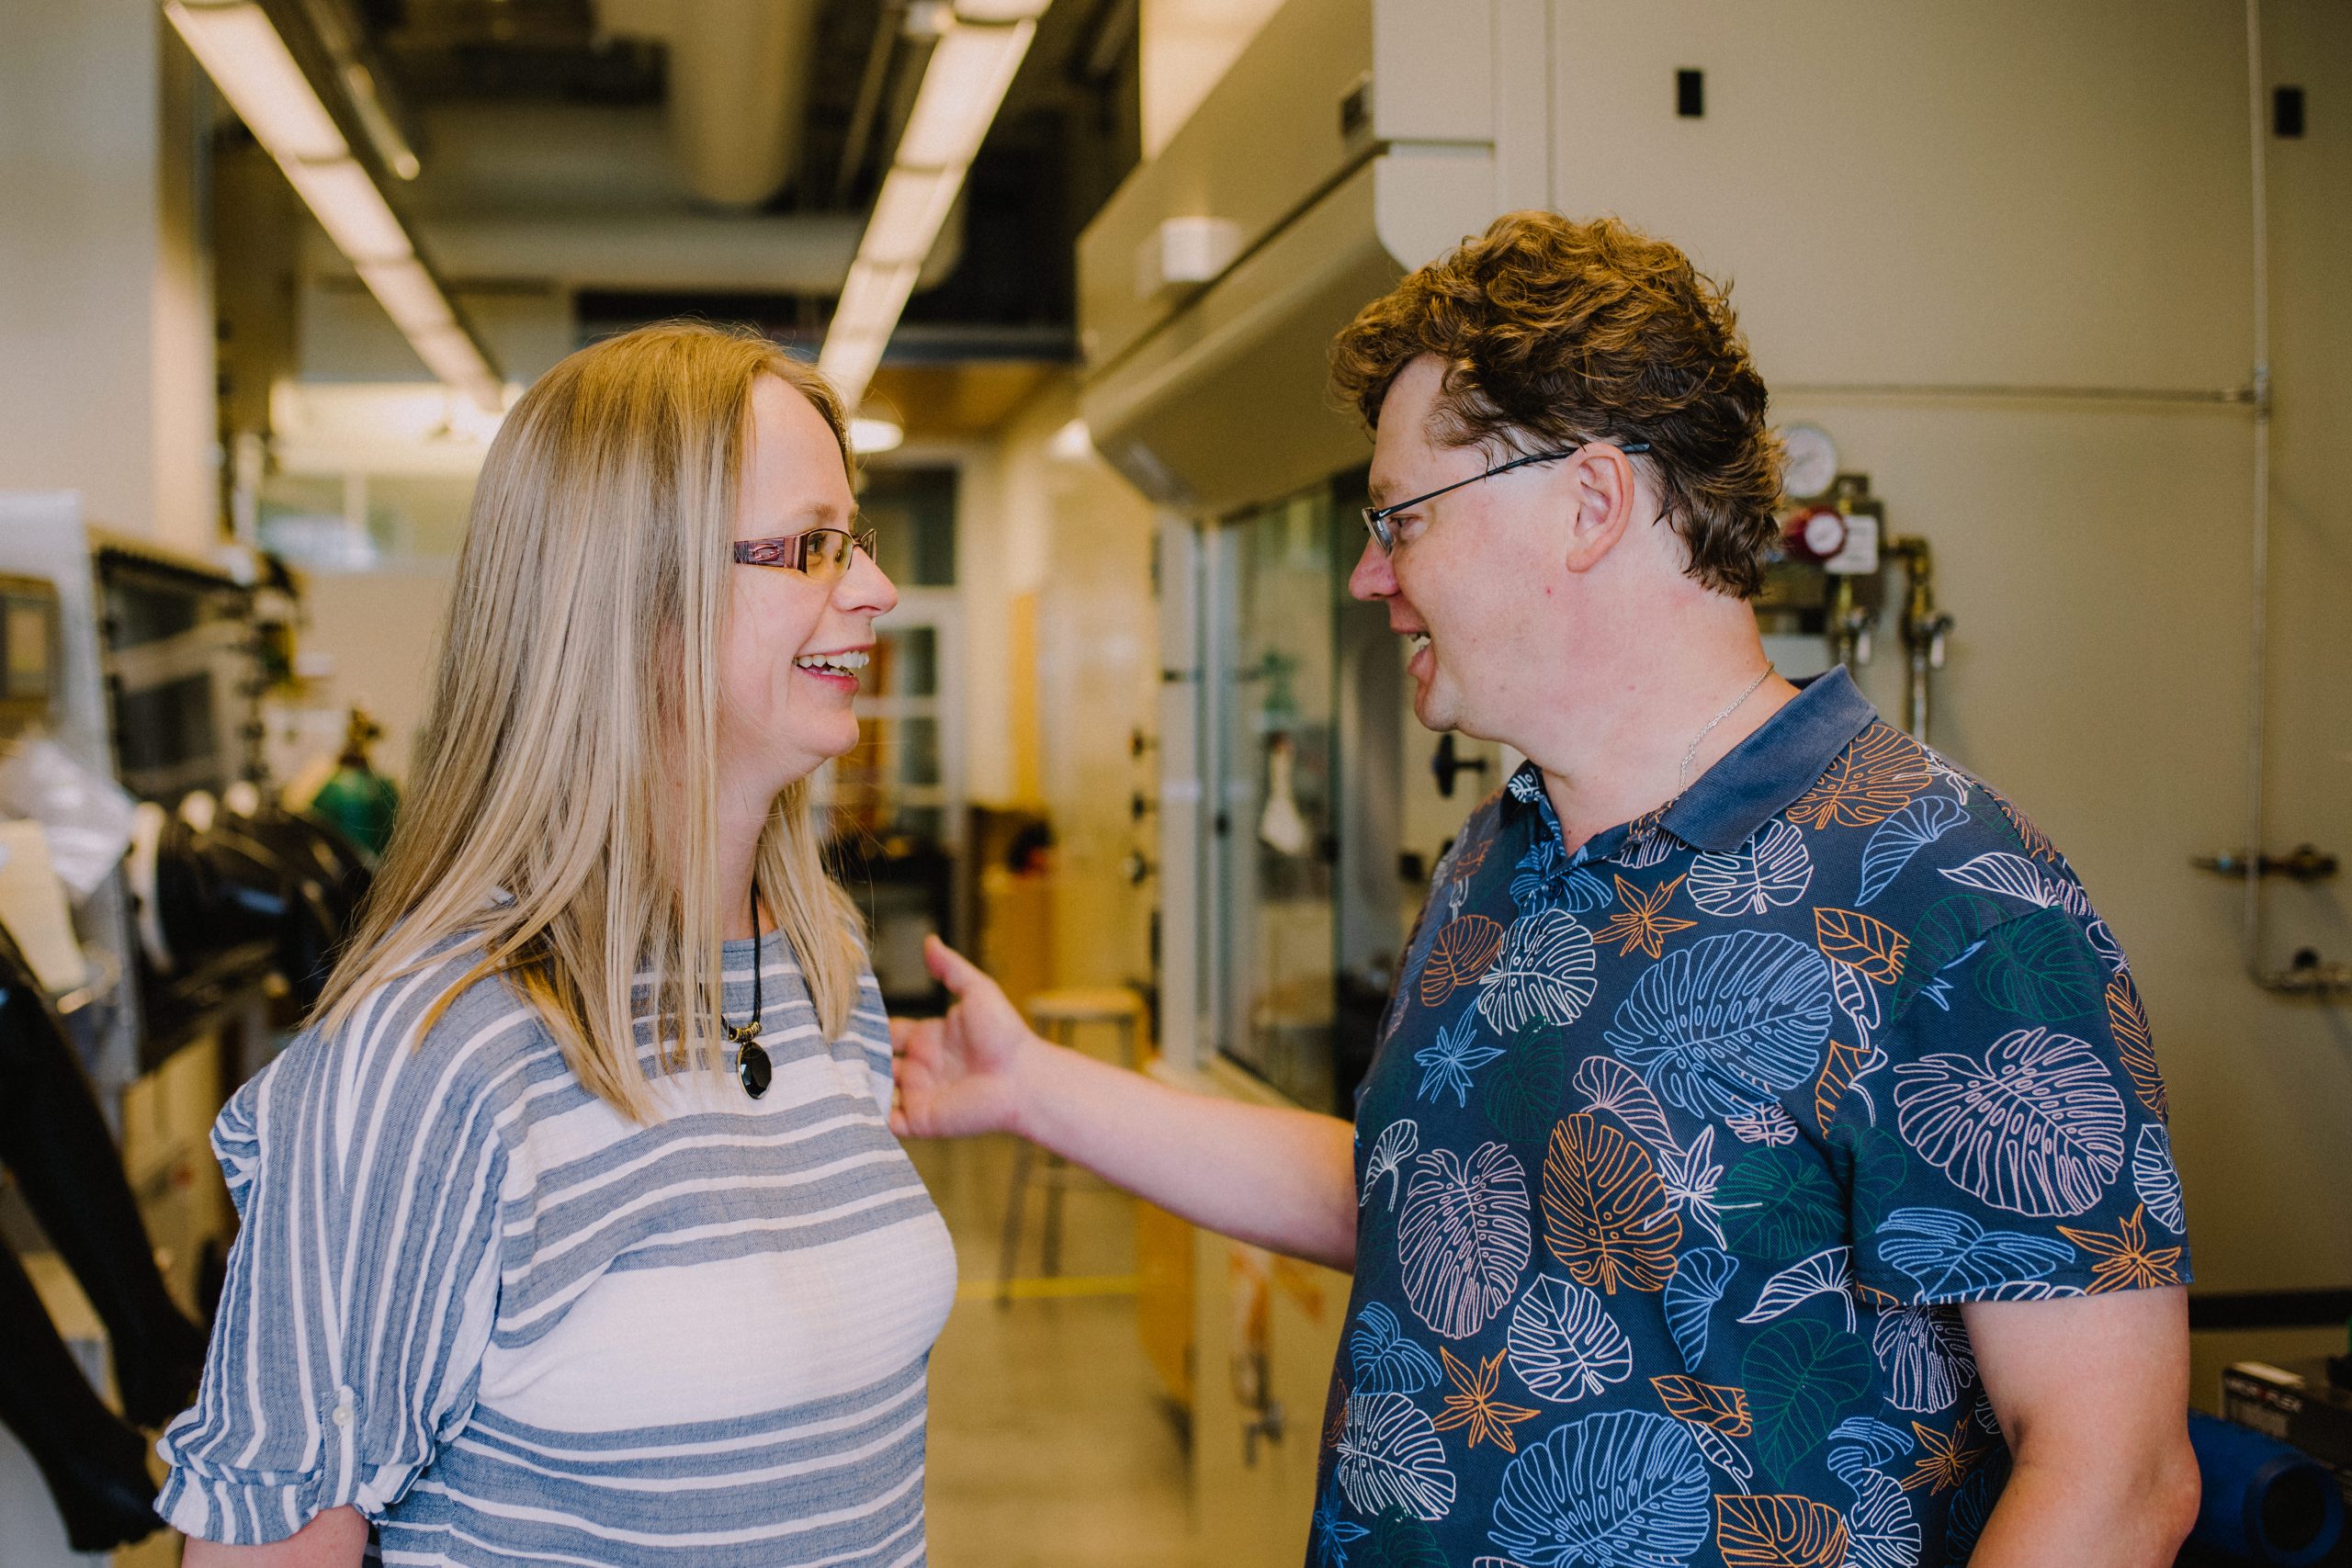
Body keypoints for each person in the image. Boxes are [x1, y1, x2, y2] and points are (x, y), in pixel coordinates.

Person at [892, 213, 2200, 1567]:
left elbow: (2112, 1479)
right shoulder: (1502, 851)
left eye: (1399, 518)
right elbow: (1425, 1200)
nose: (1368, 574)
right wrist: (1038, 1090)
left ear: (1588, 503)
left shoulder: (1952, 893)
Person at [159, 322, 956, 1566]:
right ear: (633, 600)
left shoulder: (822, 975)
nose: (872, 588)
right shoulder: (434, 1058)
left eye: (853, 540)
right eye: (810, 547)